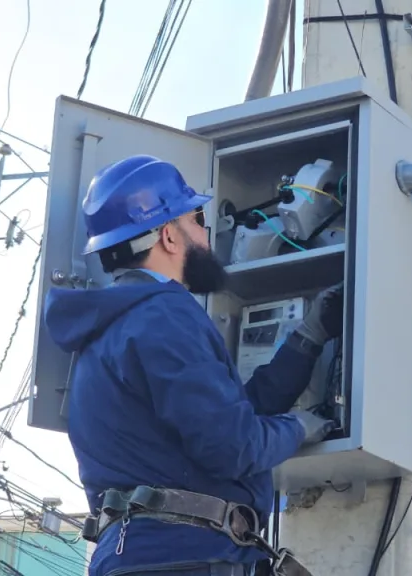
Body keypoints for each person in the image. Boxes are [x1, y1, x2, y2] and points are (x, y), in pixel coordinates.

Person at [44, 155, 342, 576]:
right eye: (198, 217)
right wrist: (298, 428)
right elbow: (234, 445)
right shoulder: (164, 314)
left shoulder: (104, 330)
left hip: (133, 557)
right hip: (185, 558)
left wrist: (307, 337)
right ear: (168, 235)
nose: (207, 232)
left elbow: (233, 416)